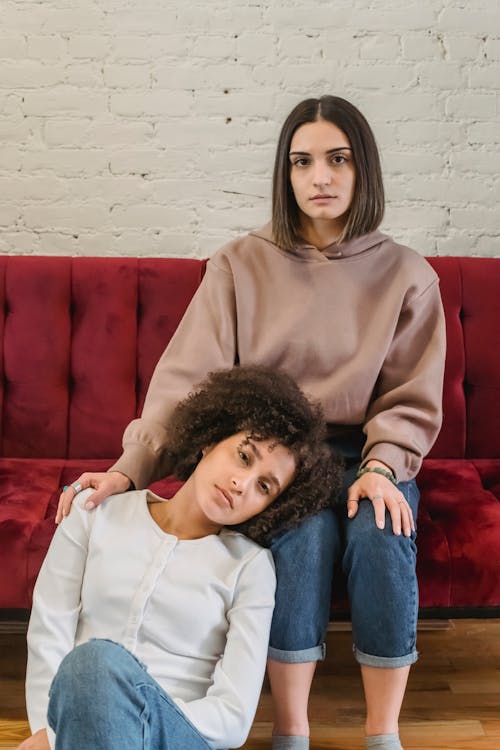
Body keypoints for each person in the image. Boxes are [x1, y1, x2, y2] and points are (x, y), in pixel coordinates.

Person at [57, 95, 446, 750]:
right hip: (274, 454)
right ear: (285, 173)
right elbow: (183, 385)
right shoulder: (241, 264)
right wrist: (130, 471)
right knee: (302, 538)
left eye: (338, 159)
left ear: (364, 170)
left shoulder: (407, 274)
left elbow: (410, 398)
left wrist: (383, 468)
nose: (318, 177)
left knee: (382, 533)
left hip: (369, 452)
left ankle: (384, 734)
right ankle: (291, 730)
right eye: (302, 162)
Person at [21, 365, 339, 750]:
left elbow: (233, 716)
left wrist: (134, 719)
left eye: (264, 487)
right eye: (243, 456)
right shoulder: (94, 515)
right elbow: (48, 631)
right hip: (76, 722)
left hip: (175, 738)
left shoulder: (250, 568)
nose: (242, 484)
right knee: (89, 668)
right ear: (210, 440)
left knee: (95, 664)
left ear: (269, 508)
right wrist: (47, 732)